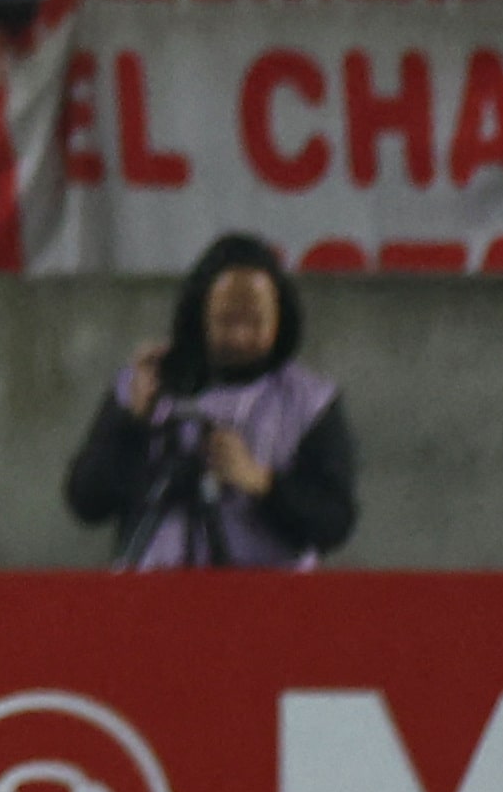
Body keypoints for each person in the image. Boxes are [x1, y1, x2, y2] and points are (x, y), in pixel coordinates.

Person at [64, 235, 357, 572]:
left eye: (255, 321)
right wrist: (131, 422)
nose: (240, 337)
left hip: (268, 593)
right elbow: (86, 503)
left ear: (280, 319)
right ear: (201, 315)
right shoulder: (145, 383)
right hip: (154, 589)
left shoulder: (309, 401)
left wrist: (262, 483)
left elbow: (334, 523)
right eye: (226, 320)